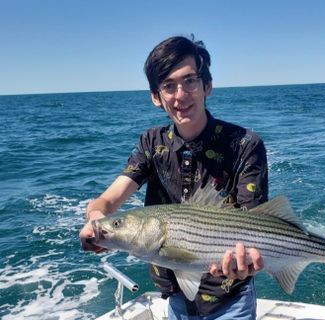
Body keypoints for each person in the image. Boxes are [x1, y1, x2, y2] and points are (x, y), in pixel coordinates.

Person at [80, 35, 268, 319]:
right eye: (168, 86)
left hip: (232, 300)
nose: (180, 95)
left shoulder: (245, 143)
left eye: (190, 81)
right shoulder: (151, 143)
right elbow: (108, 200)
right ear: (156, 97)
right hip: (177, 300)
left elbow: (255, 226)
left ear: (207, 85)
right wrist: (96, 220)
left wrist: (248, 260)